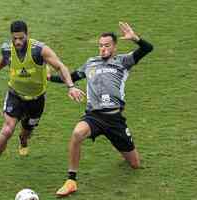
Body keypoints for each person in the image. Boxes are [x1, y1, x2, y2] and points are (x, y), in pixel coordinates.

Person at [49, 22, 153, 197]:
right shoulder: (91, 63)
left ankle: (120, 146)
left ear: (114, 47)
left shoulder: (123, 61)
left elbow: (148, 48)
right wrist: (50, 77)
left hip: (115, 119)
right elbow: (72, 77)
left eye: (107, 45)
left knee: (135, 164)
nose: (103, 48)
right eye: (100, 45)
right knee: (76, 134)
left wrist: (135, 38)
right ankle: (71, 180)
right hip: (94, 116)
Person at [0, 20, 84, 186]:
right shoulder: (7, 48)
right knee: (7, 130)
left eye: (21, 38)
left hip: (36, 99)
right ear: (11, 37)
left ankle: (23, 139)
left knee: (27, 131)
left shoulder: (39, 50)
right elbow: (5, 59)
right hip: (15, 95)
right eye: (15, 38)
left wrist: (71, 86)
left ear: (27, 34)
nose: (18, 42)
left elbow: (60, 66)